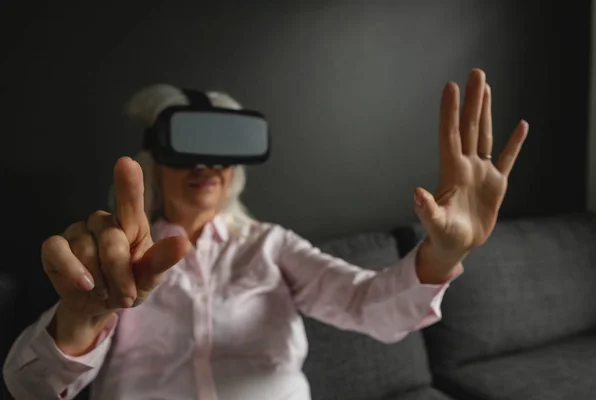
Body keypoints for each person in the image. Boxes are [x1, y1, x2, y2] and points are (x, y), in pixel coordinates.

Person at [3, 69, 528, 400]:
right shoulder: (119, 261)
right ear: (155, 160)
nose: (208, 164)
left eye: (221, 149)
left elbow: (366, 304)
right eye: (190, 146)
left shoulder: (271, 245)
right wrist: (82, 316)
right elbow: (30, 389)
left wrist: (443, 251)